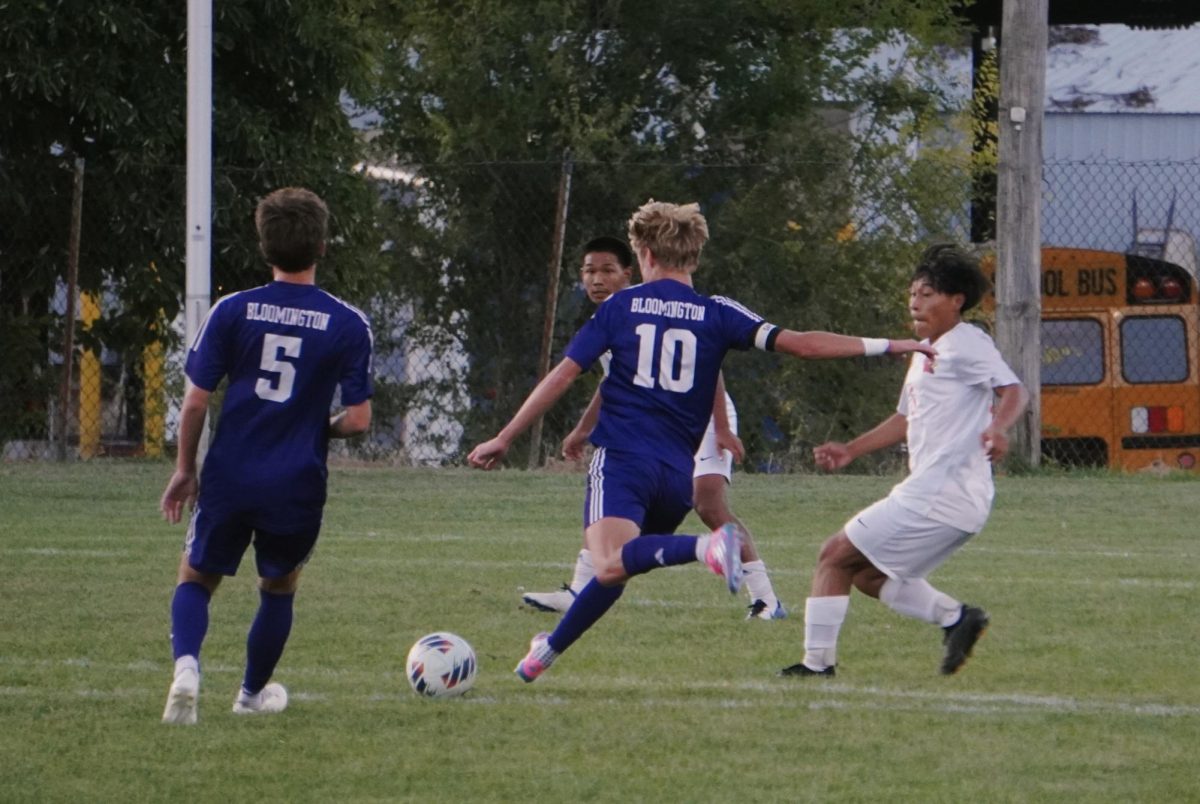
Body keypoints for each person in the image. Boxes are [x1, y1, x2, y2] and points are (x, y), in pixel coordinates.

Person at [468, 200, 934, 683]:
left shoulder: (620, 308)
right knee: (618, 569)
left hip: (625, 459)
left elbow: (563, 375)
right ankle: (545, 652)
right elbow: (801, 343)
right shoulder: (717, 312)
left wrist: (504, 437)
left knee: (608, 560)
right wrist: (889, 344)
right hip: (677, 474)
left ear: (644, 253)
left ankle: (707, 548)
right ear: (692, 256)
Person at [159, 187, 374, 724]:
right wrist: (317, 427)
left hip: (230, 473)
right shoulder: (348, 323)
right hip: (296, 480)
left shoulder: (232, 310)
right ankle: (251, 695)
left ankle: (186, 668)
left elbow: (195, 402)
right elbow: (358, 420)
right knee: (278, 586)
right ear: (322, 246)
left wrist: (186, 469)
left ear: (264, 247)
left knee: (196, 577)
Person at [779, 244, 1028, 679]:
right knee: (866, 576)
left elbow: (1014, 389)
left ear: (956, 301)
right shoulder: (924, 351)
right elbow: (904, 418)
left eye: (928, 293)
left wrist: (1000, 427)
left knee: (834, 554)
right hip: (946, 498)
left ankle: (817, 666)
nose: (915, 301)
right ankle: (956, 618)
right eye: (912, 292)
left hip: (941, 493)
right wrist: (852, 449)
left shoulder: (967, 342)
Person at [521, 235, 786, 619]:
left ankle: (766, 598)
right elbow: (611, 385)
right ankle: (581, 588)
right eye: (589, 271)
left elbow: (709, 370)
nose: (597, 279)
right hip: (662, 424)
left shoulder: (649, 305)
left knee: (708, 503)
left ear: (629, 273)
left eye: (607, 271)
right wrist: (582, 430)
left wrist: (723, 427)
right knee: (617, 499)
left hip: (703, 414)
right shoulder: (616, 312)